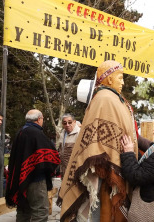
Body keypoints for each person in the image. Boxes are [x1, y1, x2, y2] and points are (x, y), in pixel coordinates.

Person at [58, 60, 138, 222]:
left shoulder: (112, 98)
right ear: (109, 79)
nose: (122, 82)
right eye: (120, 77)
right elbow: (96, 141)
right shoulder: (105, 99)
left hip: (115, 165)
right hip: (105, 169)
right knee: (101, 209)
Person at [5, 109, 60, 222]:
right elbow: (50, 156)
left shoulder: (20, 132)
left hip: (21, 179)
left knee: (23, 209)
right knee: (40, 211)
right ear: (39, 119)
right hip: (36, 179)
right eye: (43, 119)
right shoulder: (36, 133)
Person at [57, 113, 81, 179]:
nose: (67, 125)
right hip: (63, 169)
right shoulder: (62, 133)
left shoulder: (80, 133)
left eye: (70, 122)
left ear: (74, 122)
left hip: (74, 170)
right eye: (65, 123)